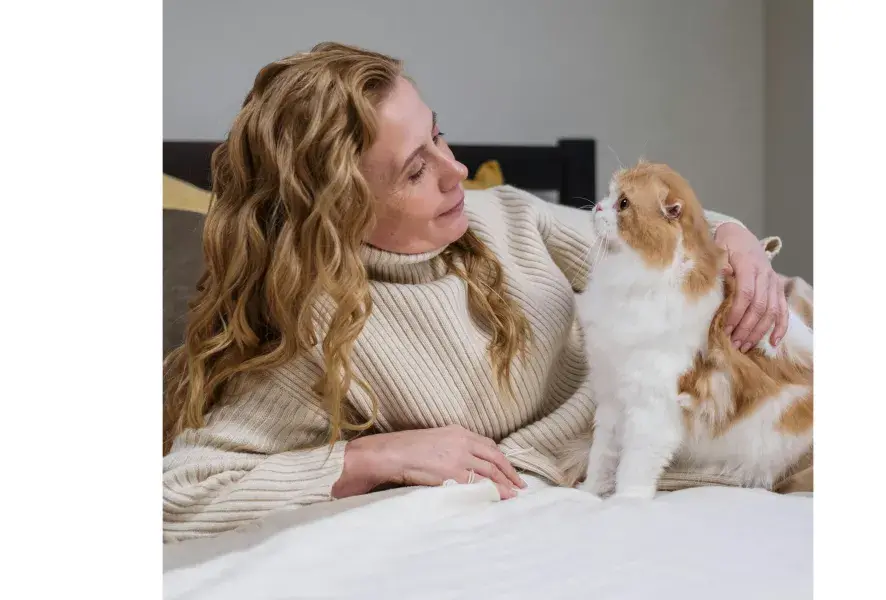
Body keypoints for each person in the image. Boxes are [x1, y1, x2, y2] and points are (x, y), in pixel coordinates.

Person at [162, 42, 795, 543]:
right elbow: (178, 494)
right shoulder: (314, 332)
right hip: (664, 445)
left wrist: (733, 236)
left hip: (738, 376)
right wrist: (373, 455)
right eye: (416, 170)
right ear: (340, 213)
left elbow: (660, 239)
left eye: (438, 135)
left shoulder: (507, 216)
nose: (456, 171)